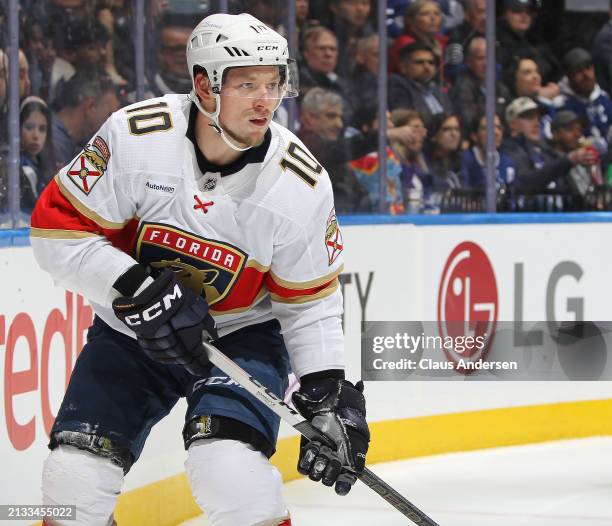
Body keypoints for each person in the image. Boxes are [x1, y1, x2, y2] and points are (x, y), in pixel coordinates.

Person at [31, 13, 369, 526]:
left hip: (240, 338)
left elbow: (311, 304)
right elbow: (55, 231)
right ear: (203, 86)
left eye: (274, 83)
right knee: (72, 480)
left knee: (230, 473)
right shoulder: (135, 137)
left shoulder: (300, 184)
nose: (265, 100)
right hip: (132, 335)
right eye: (248, 83)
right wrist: (135, 289)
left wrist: (330, 393)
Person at [51, 70, 120, 166]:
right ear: (90, 107)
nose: (113, 123)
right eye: (109, 115)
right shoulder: (54, 143)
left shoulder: (67, 142)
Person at [388, 41, 454, 124]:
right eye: (419, 62)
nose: (427, 67)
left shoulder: (437, 88)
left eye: (431, 63)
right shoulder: (397, 84)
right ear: (403, 67)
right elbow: (407, 119)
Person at [461, 113, 516, 189]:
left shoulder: (507, 162)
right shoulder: (465, 160)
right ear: (474, 136)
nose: (496, 132)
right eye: (488, 128)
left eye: (499, 128)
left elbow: (512, 196)